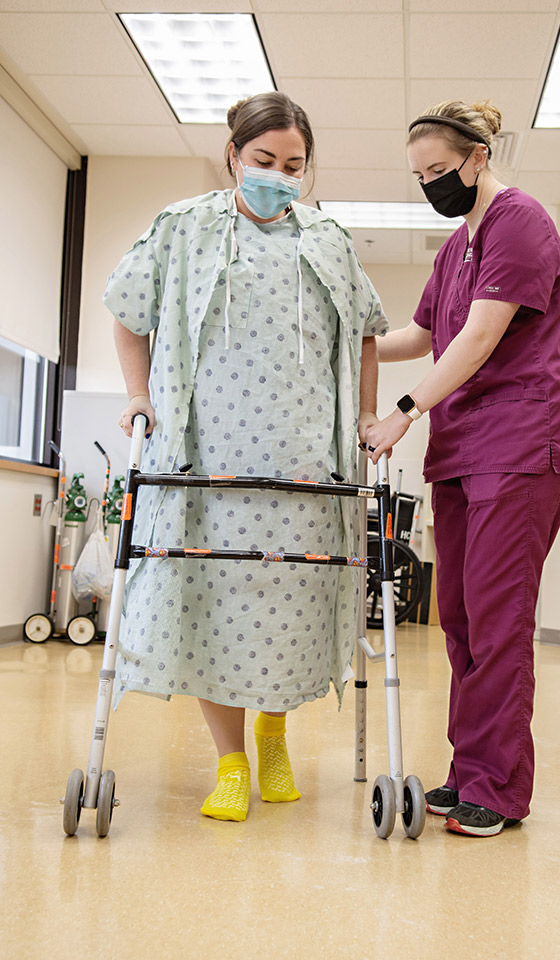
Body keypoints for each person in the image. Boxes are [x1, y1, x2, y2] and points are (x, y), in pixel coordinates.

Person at [104, 91, 387, 822]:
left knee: (287, 602)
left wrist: (361, 415)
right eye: (264, 160)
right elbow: (128, 314)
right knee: (213, 602)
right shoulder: (184, 228)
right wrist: (139, 395)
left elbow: (363, 331)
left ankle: (273, 732)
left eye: (295, 165)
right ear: (233, 155)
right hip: (206, 458)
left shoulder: (329, 240)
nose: (279, 175)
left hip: (301, 461)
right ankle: (231, 762)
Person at [366, 99, 560, 837]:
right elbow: (423, 334)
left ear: (478, 156)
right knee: (458, 619)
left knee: (496, 621)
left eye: (439, 169)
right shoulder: (452, 249)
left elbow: (479, 338)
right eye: (420, 175)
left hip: (524, 444)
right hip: (463, 450)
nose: (432, 183)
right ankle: (469, 770)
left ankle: (498, 786)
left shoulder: (520, 223)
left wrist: (403, 409)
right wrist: (347, 337)